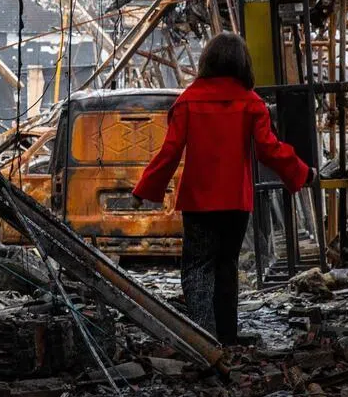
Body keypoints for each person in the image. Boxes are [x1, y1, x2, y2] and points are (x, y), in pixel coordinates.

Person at [132, 32, 313, 346]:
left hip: (199, 202)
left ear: (207, 61)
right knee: (225, 268)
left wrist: (143, 189)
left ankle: (203, 338)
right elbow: (269, 150)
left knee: (198, 268)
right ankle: (227, 337)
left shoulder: (187, 101)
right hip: (235, 204)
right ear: (243, 64)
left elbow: (170, 152)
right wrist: (303, 172)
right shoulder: (251, 103)